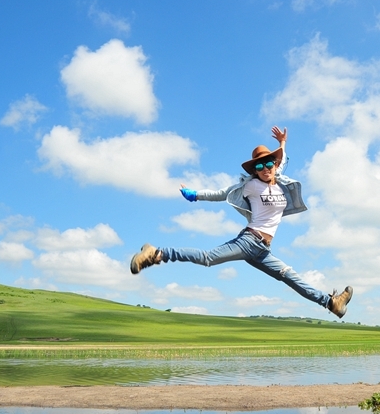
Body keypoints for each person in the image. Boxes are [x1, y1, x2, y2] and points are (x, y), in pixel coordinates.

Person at [130, 126, 353, 318]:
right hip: (249, 241)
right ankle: (157, 253)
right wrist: (194, 194)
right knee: (208, 258)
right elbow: (220, 193)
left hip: (263, 250)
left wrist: (282, 142)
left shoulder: (279, 181)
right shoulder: (250, 185)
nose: (265, 169)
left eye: (268, 165)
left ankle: (331, 303)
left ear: (274, 165)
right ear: (254, 170)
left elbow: (281, 159)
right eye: (259, 167)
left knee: (288, 276)